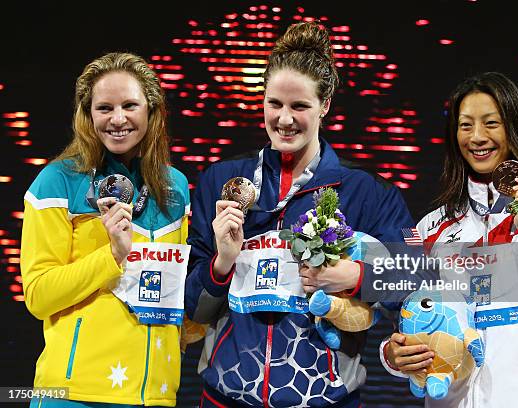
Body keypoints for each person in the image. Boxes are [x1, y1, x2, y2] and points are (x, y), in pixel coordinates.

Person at [184, 21, 416, 407]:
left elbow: (417, 276)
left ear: (325, 105)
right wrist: (222, 263)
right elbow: (194, 308)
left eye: (300, 106)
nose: (285, 119)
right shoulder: (221, 182)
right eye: (274, 104)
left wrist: (356, 276)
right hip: (225, 398)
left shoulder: (366, 193)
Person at [380, 72, 518, 407]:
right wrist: (394, 355)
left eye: (491, 123)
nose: (477, 137)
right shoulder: (431, 228)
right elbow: (412, 319)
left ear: (514, 125)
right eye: (465, 125)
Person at [21, 52, 190, 407]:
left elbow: (176, 292)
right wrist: (111, 255)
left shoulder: (176, 187)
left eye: (130, 105)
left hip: (156, 395)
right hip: (74, 395)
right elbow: (38, 294)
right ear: (87, 114)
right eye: (104, 108)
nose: (118, 119)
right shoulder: (57, 181)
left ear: (152, 110)